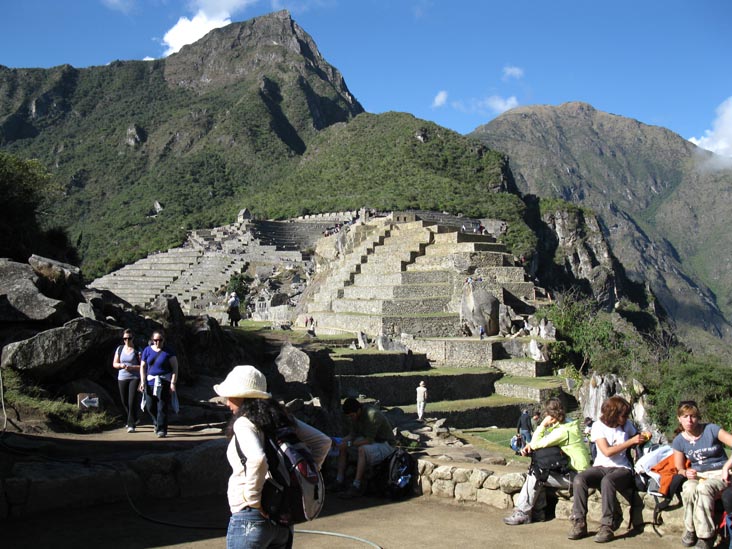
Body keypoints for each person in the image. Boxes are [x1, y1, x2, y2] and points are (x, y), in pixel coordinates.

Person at [214, 365, 331, 549]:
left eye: (229, 396)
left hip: (250, 518)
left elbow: (257, 459)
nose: (227, 402)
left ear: (242, 396)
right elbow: (322, 442)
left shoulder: (244, 423)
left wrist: (254, 500)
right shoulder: (281, 417)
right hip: (282, 517)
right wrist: (301, 476)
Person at [568, 396, 645, 543]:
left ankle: (607, 525)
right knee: (580, 479)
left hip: (622, 468)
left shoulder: (626, 425)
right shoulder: (598, 426)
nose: (626, 418)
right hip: (601, 466)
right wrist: (630, 442)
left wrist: (642, 438)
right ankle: (579, 522)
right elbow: (607, 452)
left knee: (608, 481)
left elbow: (637, 438)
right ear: (614, 414)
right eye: (623, 415)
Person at [504, 398, 591, 525]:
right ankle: (538, 513)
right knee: (540, 472)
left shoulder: (563, 431)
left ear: (552, 415)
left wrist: (543, 425)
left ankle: (523, 513)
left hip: (577, 475)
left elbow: (538, 442)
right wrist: (531, 446)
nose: (545, 416)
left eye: (547, 414)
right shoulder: (567, 424)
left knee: (537, 474)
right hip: (575, 471)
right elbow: (541, 441)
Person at [672, 400, 732, 549]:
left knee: (703, 489)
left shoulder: (711, 429)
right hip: (698, 475)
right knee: (688, 489)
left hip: (720, 473)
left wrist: (726, 467)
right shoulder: (679, 440)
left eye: (692, 416)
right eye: (685, 416)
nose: (689, 420)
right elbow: (679, 468)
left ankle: (706, 536)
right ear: (679, 418)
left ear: (698, 417)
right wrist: (686, 472)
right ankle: (691, 530)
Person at [333, 397, 395, 498]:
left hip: (386, 445)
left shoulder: (372, 415)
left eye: (352, 415)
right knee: (343, 447)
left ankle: (356, 485)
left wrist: (349, 444)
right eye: (349, 416)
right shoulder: (355, 417)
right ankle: (339, 480)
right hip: (373, 442)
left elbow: (368, 440)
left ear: (358, 410)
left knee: (362, 449)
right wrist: (338, 442)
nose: (351, 418)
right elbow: (352, 435)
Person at [139, 330, 179, 438]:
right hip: (150, 381)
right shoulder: (147, 350)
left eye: (160, 340)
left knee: (162, 406)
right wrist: (142, 382)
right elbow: (143, 366)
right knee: (150, 405)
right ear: (152, 340)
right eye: (155, 340)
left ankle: (162, 429)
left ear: (163, 340)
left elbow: (175, 368)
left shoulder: (168, 351)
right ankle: (156, 421)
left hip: (163, 382)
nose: (157, 342)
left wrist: (173, 383)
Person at [112, 329, 141, 433]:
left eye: (129, 338)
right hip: (122, 377)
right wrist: (121, 365)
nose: (127, 340)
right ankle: (134, 417)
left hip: (134, 378)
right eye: (125, 338)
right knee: (124, 401)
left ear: (133, 338)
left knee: (131, 400)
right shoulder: (119, 349)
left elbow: (142, 366)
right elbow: (114, 364)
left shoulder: (137, 349)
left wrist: (132, 368)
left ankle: (131, 424)